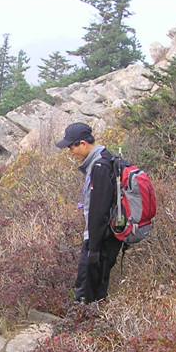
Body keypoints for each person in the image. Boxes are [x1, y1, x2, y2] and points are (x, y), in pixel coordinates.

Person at [56, 122, 124, 303]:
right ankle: (92, 322)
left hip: (101, 238)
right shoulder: (103, 159)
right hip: (105, 236)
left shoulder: (100, 166)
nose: (71, 153)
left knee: (87, 288)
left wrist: (93, 248)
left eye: (71, 148)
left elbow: (98, 210)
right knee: (96, 285)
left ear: (83, 144)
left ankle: (86, 325)